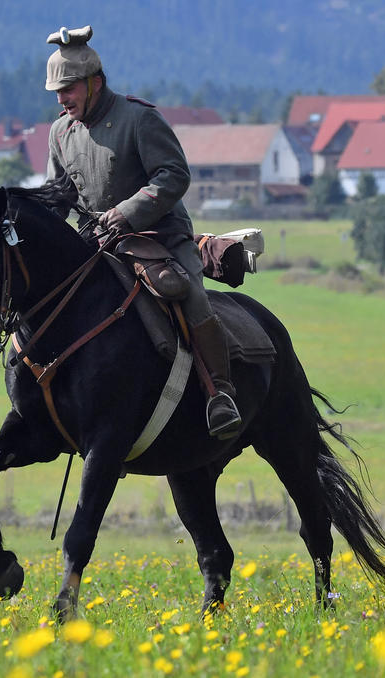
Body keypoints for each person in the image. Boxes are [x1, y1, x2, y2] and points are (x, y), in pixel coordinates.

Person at [43, 26, 242, 439]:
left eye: (68, 89)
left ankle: (220, 393)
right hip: (97, 244)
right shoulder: (60, 133)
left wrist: (127, 212)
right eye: (57, 93)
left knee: (188, 293)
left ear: (94, 83)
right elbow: (57, 195)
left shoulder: (139, 118)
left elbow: (173, 175)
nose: (61, 99)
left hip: (161, 238)